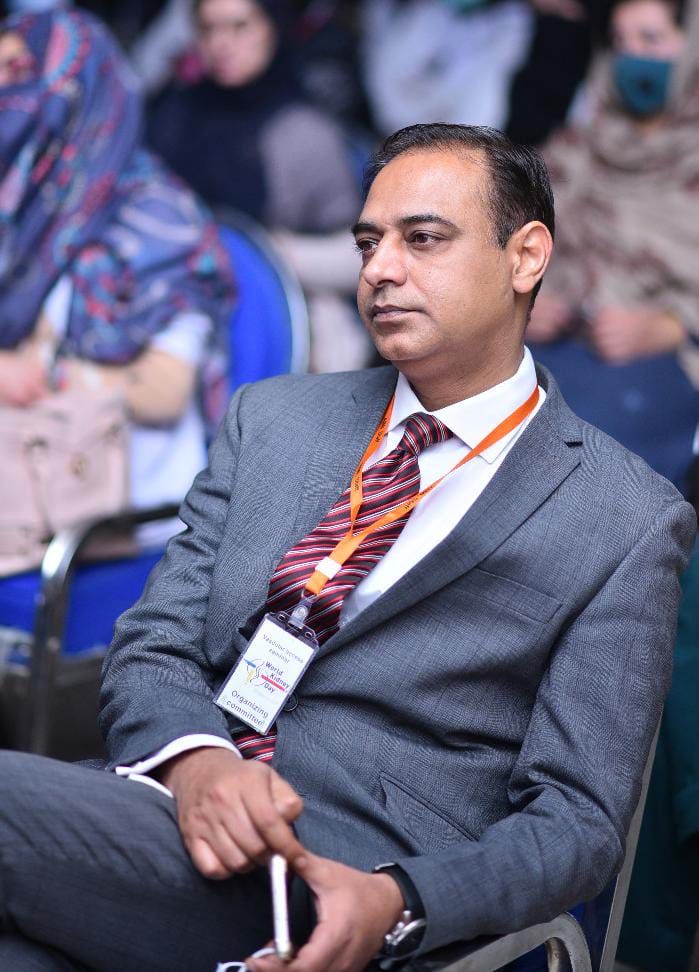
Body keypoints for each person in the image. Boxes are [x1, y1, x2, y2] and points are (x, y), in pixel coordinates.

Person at [0, 124, 694, 972]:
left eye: (422, 239)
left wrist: (399, 901)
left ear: (525, 257)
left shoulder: (622, 516)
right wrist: (196, 763)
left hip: (347, 873)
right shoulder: (275, 419)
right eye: (368, 243)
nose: (379, 270)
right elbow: (154, 643)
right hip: (170, 812)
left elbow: (577, 823)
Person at [0, 8, 235, 522]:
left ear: (79, 88)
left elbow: (163, 392)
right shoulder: (21, 204)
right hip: (24, 467)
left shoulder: (159, 221)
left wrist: (46, 372)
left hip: (117, 496)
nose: (8, 96)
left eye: (19, 73)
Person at [527, 0, 699, 488]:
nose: (632, 56)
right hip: (555, 339)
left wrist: (670, 326)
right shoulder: (588, 136)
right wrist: (520, 298)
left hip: (657, 362)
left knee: (581, 461)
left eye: (651, 39)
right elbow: (515, 224)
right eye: (620, 42)